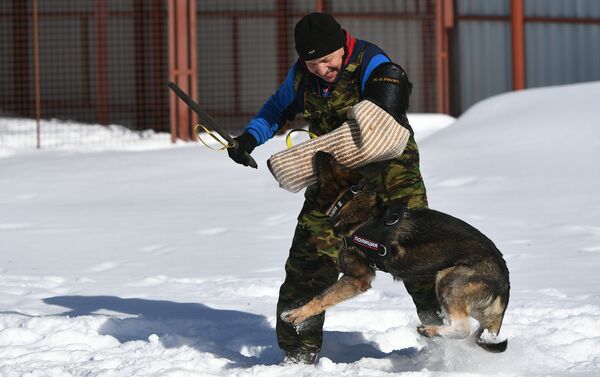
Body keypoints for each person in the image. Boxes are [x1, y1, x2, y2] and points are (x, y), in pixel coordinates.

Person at [228, 12, 442, 364]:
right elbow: (277, 108)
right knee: (309, 261)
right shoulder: (301, 75)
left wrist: (385, 96)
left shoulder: (372, 61)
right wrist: (249, 139)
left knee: (417, 257)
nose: (321, 69)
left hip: (391, 178)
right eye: (312, 63)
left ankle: (448, 342)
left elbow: (390, 103)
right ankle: (298, 353)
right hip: (334, 185)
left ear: (343, 46)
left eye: (327, 60)